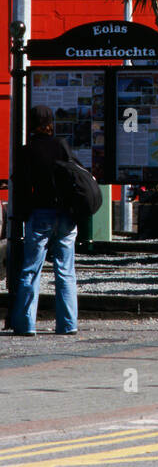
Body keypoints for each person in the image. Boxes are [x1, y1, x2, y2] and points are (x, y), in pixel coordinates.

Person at [10, 106, 79, 336]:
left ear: (31, 123)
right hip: (66, 215)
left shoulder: (27, 150)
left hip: (40, 213)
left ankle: (26, 324)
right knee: (65, 270)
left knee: (31, 269)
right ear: (51, 122)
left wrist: (21, 214)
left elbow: (20, 186)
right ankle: (68, 324)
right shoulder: (61, 146)